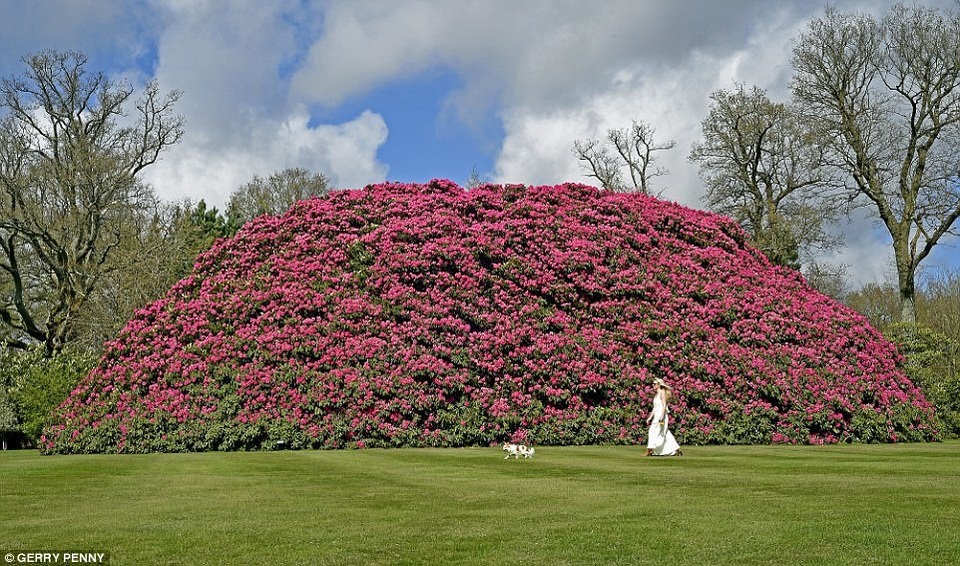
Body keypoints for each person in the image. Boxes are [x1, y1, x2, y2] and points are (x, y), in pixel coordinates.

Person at [644, 378, 682, 456]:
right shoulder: (656, 395)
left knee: (652, 431)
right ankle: (676, 449)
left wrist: (662, 415)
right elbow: (655, 408)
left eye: (654, 384)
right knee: (665, 432)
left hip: (661, 416)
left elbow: (664, 405)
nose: (653, 385)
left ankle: (649, 449)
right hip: (657, 416)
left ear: (658, 385)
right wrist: (650, 417)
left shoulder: (662, 393)